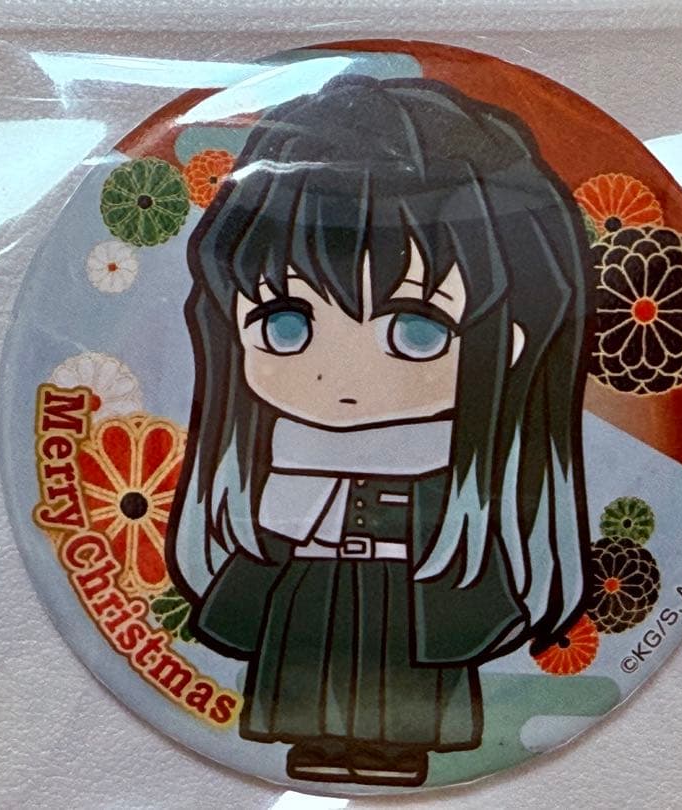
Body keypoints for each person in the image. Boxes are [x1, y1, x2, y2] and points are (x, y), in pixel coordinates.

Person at [167, 74, 593, 787]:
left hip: (410, 589)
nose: (341, 378)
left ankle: (400, 750)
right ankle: (319, 743)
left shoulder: (460, 471)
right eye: (285, 324)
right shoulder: (278, 452)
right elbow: (274, 521)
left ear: (513, 340)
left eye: (418, 331)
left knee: (410, 677)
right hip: (315, 581)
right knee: (314, 668)